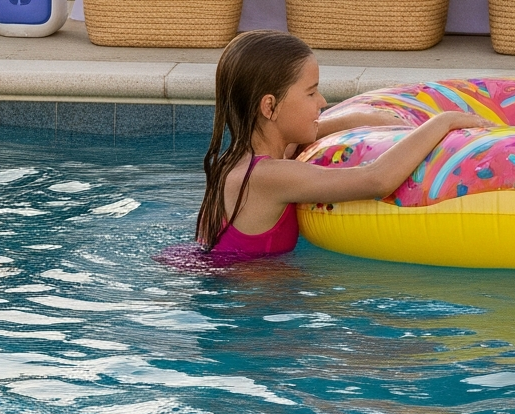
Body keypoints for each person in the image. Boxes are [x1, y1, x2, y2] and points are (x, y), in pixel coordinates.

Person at [190, 31, 473, 262]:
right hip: (250, 306)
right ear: (269, 106)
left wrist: (356, 120)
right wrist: (443, 122)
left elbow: (298, 138)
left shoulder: (237, 160)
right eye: (311, 92)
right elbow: (376, 180)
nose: (322, 101)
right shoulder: (268, 176)